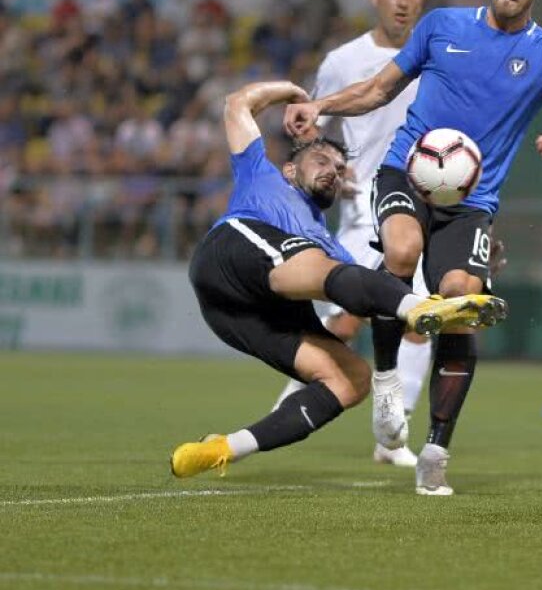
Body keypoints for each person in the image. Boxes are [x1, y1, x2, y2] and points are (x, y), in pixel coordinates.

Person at [284, 0, 542, 495]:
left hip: (470, 203)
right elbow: (379, 89)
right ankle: (385, 380)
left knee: (459, 299)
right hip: (405, 172)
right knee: (402, 251)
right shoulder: (440, 27)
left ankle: (436, 445)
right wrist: (320, 104)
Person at [169, 80, 504, 479]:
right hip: (230, 257)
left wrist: (467, 267)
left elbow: (368, 293)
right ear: (290, 168)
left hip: (239, 315)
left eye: (340, 169)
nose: (333, 171)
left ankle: (224, 448)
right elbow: (237, 102)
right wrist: (292, 91)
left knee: (352, 379)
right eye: (322, 161)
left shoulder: (328, 247)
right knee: (328, 269)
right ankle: (422, 309)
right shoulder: (260, 172)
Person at [271, 0, 433, 468]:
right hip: (366, 206)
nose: (404, 1)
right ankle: (288, 405)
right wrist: (329, 177)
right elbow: (316, 135)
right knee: (346, 319)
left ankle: (392, 434)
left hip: (422, 206)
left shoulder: (435, 56)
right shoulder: (344, 61)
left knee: (420, 320)